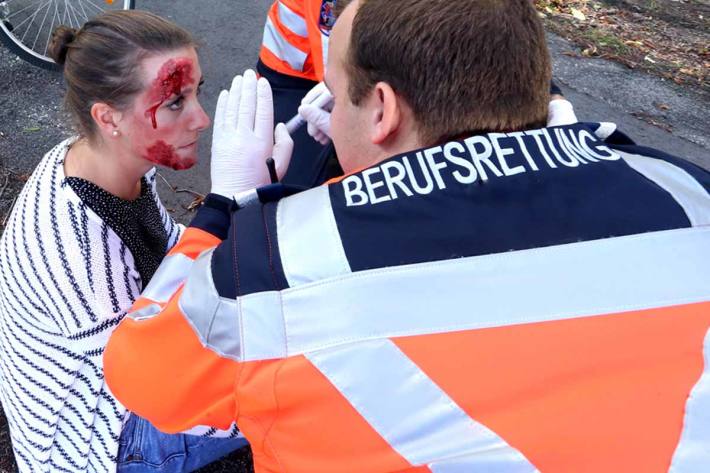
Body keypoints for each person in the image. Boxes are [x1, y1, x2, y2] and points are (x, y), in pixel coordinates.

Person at [105, 0, 710, 471]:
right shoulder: (688, 189)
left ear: (383, 110)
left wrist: (225, 207)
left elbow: (142, 378)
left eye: (337, 95)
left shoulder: (279, 262)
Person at [0, 11, 249, 473]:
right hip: (89, 438)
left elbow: (169, 246)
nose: (201, 118)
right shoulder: (78, 246)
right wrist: (228, 208)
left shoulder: (108, 162)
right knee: (287, 384)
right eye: (175, 102)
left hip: (126, 367)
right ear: (107, 117)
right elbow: (149, 379)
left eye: (197, 92)